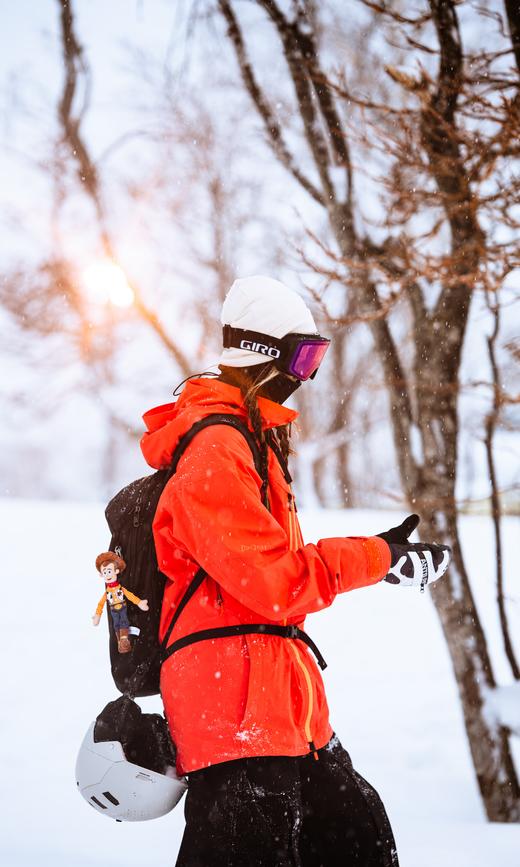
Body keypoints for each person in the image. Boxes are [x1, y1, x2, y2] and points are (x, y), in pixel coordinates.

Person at [139, 275, 450, 866]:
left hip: (284, 713)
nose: (307, 374)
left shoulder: (252, 441)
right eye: (303, 355)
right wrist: (377, 559)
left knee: (361, 841)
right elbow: (276, 583)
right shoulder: (214, 452)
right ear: (261, 353)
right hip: (233, 723)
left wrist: (379, 552)